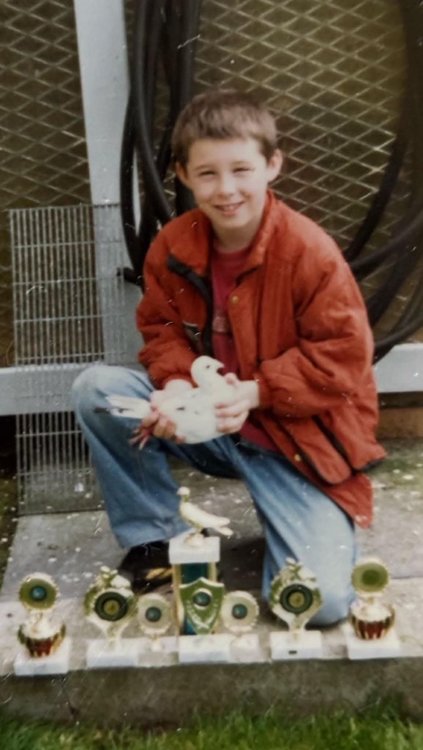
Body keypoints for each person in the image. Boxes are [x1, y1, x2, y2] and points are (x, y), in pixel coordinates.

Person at [72, 88, 385, 626]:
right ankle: (154, 538)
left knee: (318, 604)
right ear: (184, 175)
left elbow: (343, 357)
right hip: (213, 426)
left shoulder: (308, 251)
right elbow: (161, 329)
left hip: (294, 442)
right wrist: (173, 386)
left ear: (272, 165)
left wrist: (258, 392)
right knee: (98, 390)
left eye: (241, 170)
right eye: (208, 173)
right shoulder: (173, 245)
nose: (227, 189)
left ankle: (306, 521)